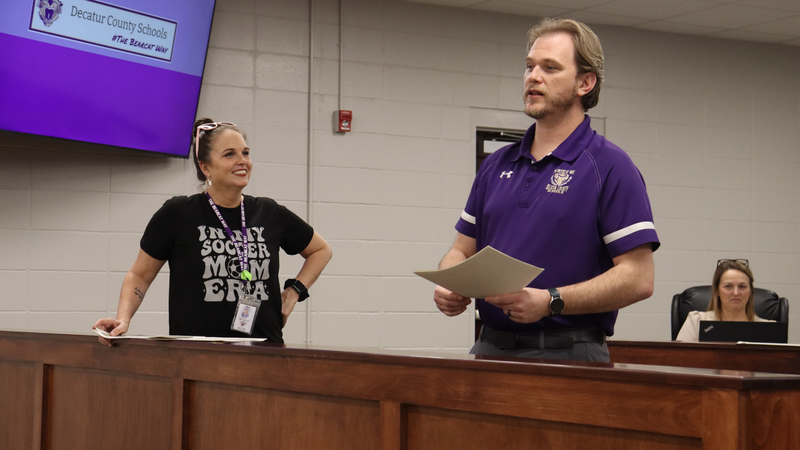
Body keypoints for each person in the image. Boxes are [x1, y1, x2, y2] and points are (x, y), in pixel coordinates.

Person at [433, 18, 660, 362]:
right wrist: (451, 282)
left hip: (568, 352)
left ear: (585, 82)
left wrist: (551, 300)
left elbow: (638, 278)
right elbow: (461, 251)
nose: (533, 77)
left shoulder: (611, 166)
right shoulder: (496, 164)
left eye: (550, 68)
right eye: (529, 67)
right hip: (489, 349)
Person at [94, 119, 332, 344]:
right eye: (230, 154)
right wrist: (123, 319)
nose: (243, 161)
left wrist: (295, 291)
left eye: (245, 153)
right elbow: (139, 275)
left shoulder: (268, 211)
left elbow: (321, 250)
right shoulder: (178, 213)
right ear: (205, 167)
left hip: (264, 350)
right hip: (200, 354)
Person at [676, 259, 773, 342]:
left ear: (750, 291)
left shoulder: (768, 328)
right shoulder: (697, 322)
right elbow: (679, 359)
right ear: (717, 291)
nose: (736, 293)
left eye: (742, 286)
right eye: (728, 286)